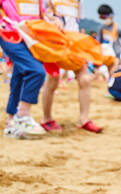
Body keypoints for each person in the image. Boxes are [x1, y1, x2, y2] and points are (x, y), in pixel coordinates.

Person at [40, 0, 102, 133]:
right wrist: (52, 19)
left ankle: (84, 119)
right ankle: (46, 118)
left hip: (73, 41)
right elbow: (41, 14)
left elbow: (76, 21)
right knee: (53, 79)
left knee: (85, 79)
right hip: (53, 40)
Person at [0, 0, 47, 138]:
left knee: (19, 75)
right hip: (9, 33)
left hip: (30, 37)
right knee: (36, 71)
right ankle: (22, 116)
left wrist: (53, 21)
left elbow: (41, 15)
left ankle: (11, 123)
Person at [96, 4, 121, 72]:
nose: (103, 19)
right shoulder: (101, 28)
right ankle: (111, 81)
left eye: (104, 16)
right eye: (101, 17)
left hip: (116, 52)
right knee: (110, 70)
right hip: (106, 53)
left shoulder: (118, 28)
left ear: (111, 16)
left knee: (114, 69)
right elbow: (98, 41)